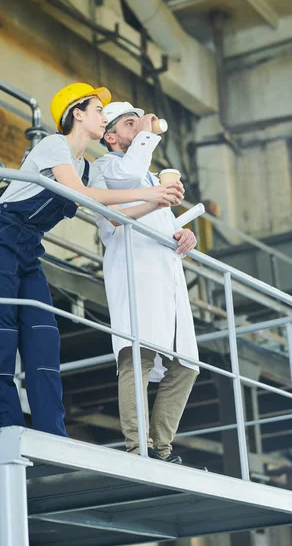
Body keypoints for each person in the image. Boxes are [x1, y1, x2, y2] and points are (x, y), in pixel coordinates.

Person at [0, 84, 183, 436]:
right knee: (1, 334)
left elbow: (112, 216)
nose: (103, 117)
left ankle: (53, 432)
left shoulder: (85, 166)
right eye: (98, 110)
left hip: (28, 248)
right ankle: (6, 425)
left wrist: (158, 202)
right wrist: (149, 191)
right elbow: (78, 194)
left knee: (44, 337)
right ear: (77, 114)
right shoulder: (55, 145)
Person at [92, 101, 199, 463]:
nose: (139, 127)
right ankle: (139, 446)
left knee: (186, 364)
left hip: (166, 274)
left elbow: (162, 222)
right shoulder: (105, 167)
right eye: (129, 123)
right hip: (135, 270)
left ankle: (162, 446)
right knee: (138, 353)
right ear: (109, 136)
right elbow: (121, 200)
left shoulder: (151, 178)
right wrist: (147, 136)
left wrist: (184, 236)